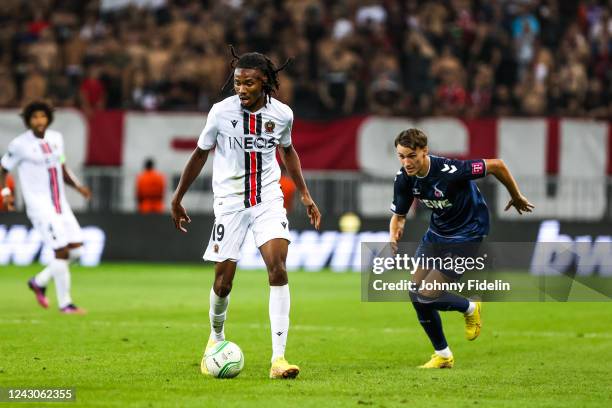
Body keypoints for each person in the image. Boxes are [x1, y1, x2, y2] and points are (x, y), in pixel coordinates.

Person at [171, 49, 321, 379]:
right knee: (223, 282)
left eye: (249, 82)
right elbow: (199, 154)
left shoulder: (282, 114)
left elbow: (288, 151)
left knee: (277, 267)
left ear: (264, 82)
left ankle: (278, 359)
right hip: (229, 203)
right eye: (237, 82)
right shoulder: (220, 113)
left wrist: (306, 195)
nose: (241, 88)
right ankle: (216, 337)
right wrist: (178, 196)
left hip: (267, 198)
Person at [389, 128, 533, 368]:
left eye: (411, 155)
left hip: (467, 235)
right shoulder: (404, 178)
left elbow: (497, 165)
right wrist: (394, 230)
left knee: (426, 296)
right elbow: (399, 214)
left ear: (424, 151)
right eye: (401, 156)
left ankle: (470, 307)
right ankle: (443, 356)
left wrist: (516, 196)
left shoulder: (451, 171)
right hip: (436, 234)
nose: (406, 162)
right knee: (415, 293)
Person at [0, 100, 92, 314]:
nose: (39, 120)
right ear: (28, 121)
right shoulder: (20, 145)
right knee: (61, 251)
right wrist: (5, 193)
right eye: (34, 117)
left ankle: (39, 281)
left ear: (48, 118)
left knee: (77, 252)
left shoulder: (56, 139)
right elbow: (3, 169)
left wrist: (78, 187)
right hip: (40, 207)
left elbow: (61, 167)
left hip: (61, 206)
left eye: (42, 116)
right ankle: (65, 304)